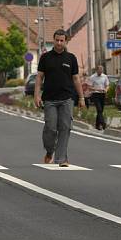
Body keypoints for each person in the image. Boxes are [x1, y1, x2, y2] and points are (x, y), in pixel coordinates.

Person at [34, 29, 85, 167]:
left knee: (65, 127)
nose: (59, 43)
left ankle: (61, 158)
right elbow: (39, 77)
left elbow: (76, 79)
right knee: (50, 127)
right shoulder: (45, 58)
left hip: (67, 98)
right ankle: (50, 151)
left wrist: (81, 97)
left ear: (66, 41)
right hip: (49, 99)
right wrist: (37, 95)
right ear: (54, 40)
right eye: (57, 40)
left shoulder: (71, 58)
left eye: (62, 40)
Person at [88, 64, 110, 130]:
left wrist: (106, 89)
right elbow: (89, 87)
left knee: (100, 111)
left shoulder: (105, 76)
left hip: (102, 94)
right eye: (99, 70)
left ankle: (97, 125)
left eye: (102, 70)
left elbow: (107, 85)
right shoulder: (92, 77)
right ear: (96, 70)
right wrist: (97, 89)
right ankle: (103, 124)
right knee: (99, 109)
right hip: (95, 94)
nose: (101, 72)